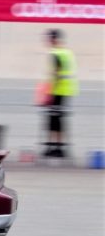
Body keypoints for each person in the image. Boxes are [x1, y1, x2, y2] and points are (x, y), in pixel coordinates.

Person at [43, 29, 78, 158]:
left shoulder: (56, 53)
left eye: (49, 39)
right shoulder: (67, 53)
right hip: (66, 90)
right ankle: (58, 147)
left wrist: (49, 94)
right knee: (58, 119)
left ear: (54, 39)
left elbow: (56, 74)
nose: (48, 41)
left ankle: (54, 147)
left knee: (54, 119)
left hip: (58, 91)